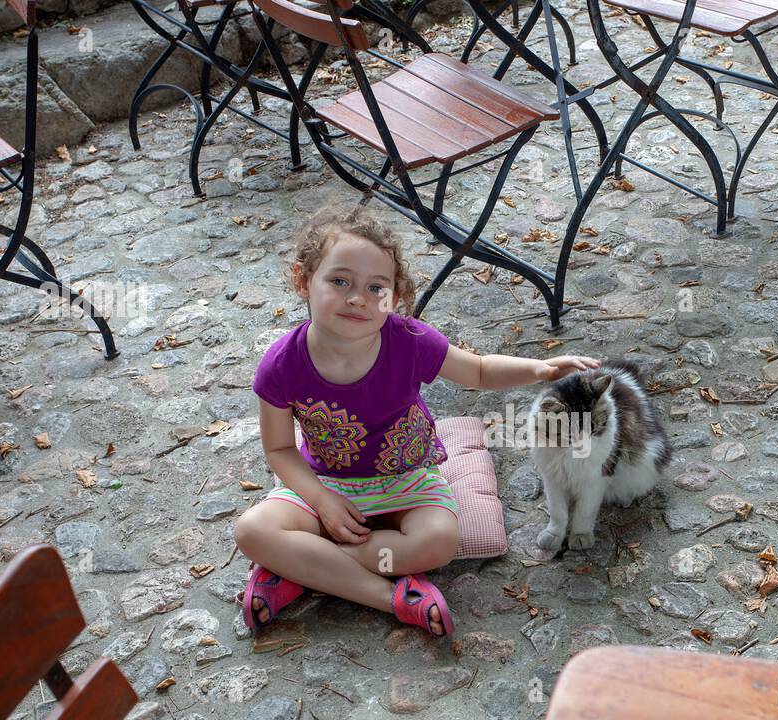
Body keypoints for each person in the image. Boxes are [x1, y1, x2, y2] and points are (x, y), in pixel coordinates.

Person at [233, 208, 600, 637]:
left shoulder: (408, 341)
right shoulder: (281, 365)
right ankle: (391, 597)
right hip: (326, 482)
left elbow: (478, 371)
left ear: (394, 297)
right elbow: (279, 450)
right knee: (252, 530)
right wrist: (321, 502)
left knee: (440, 542)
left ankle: (301, 567)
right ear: (303, 281)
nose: (358, 298)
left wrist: (539, 368)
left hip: (406, 477)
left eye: (376, 288)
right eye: (340, 281)